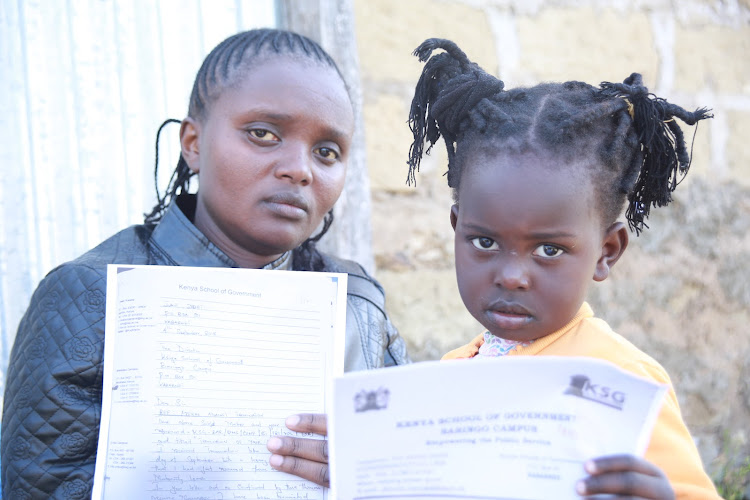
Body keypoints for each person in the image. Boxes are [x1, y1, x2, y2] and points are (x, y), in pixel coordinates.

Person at [1, 28, 409, 498]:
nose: (300, 168)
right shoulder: (91, 296)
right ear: (193, 144)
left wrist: (372, 471)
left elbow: (414, 471)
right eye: (263, 134)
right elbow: (41, 487)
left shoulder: (356, 305)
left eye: (326, 152)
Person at [406, 38, 720, 499]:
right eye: (485, 241)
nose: (512, 276)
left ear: (606, 252)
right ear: (457, 230)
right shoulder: (450, 374)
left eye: (549, 250)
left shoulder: (624, 382)